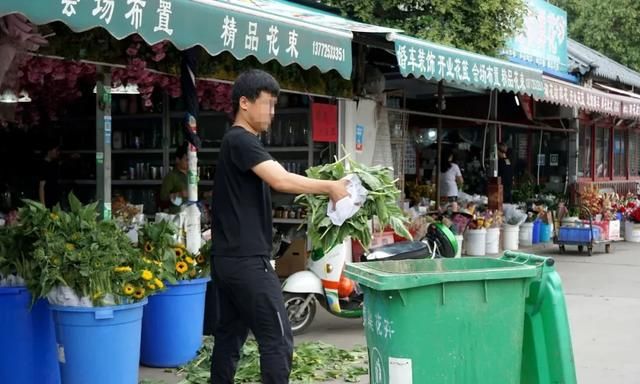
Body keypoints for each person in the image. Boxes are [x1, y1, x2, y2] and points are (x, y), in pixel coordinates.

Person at [210, 69, 349, 384]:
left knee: (229, 337)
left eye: (275, 105)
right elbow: (281, 179)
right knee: (277, 338)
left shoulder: (236, 143)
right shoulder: (241, 140)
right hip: (247, 261)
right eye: (267, 104)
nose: (272, 112)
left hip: (226, 260)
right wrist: (330, 187)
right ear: (244, 103)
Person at [159, 143, 188, 213]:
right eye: (186, 160)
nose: (189, 163)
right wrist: (179, 194)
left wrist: (206, 194)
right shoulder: (171, 176)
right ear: (178, 160)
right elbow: (163, 197)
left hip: (190, 213)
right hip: (177, 215)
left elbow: (195, 194)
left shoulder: (192, 175)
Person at [38, 140, 61, 208]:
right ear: (49, 151)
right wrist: (43, 206)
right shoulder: (43, 166)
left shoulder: (53, 164)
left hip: (54, 201)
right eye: (56, 150)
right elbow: (41, 187)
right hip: (48, 202)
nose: (58, 152)